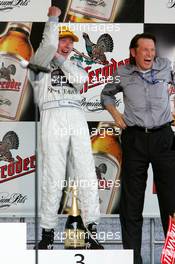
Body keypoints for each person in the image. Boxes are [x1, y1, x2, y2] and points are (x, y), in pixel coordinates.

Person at [30, 6, 103, 250]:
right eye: (63, 40)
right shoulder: (39, 63)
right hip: (52, 115)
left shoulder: (76, 67)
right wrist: (52, 19)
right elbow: (48, 47)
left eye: (70, 42)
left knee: (86, 174)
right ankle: (48, 233)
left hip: (76, 116)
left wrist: (63, 60)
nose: (66, 45)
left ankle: (91, 230)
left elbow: (81, 80)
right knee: (53, 176)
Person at [101, 33, 175, 263]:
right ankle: (133, 259)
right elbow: (106, 95)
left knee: (171, 201)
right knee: (131, 204)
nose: (150, 54)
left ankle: (172, 257)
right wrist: (115, 114)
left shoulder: (166, 67)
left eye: (152, 50)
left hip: (163, 138)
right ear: (134, 52)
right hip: (134, 139)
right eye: (145, 50)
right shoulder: (122, 73)